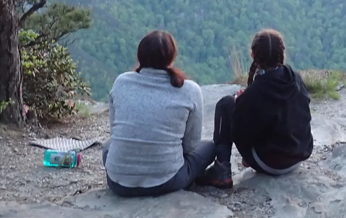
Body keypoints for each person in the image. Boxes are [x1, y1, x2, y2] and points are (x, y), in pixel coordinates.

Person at [102, 30, 215, 197]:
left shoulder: (121, 82)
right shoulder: (189, 90)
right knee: (210, 147)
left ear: (140, 56)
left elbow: (115, 131)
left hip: (118, 182)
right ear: (171, 57)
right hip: (166, 181)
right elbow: (191, 145)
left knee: (108, 146)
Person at [197, 29, 313, 189]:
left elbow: (241, 135)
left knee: (225, 104)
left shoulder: (256, 91)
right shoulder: (294, 77)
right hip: (299, 156)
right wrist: (245, 101)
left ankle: (222, 170)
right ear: (282, 52)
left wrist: (239, 103)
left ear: (253, 55)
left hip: (271, 163)